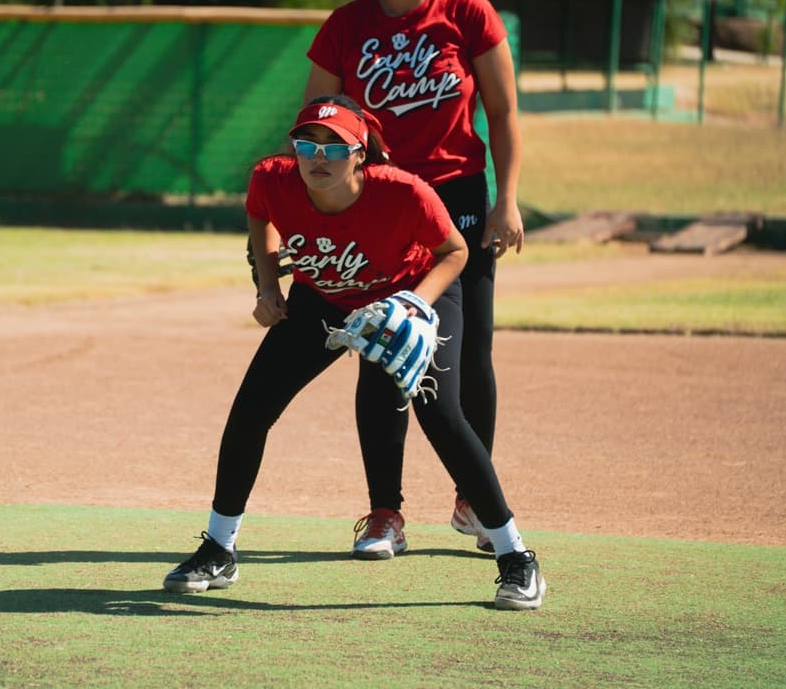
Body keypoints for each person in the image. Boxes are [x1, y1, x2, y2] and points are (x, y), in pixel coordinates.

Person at [162, 95, 545, 611]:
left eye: (334, 147)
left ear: (360, 154)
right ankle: (218, 549)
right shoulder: (273, 179)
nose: (317, 158)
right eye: (307, 144)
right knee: (251, 411)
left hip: (408, 295)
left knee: (443, 417)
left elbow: (454, 251)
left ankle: (516, 558)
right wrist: (267, 284)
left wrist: (414, 305)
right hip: (324, 300)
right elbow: (260, 216)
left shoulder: (404, 192)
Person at [301, 0, 526, 556]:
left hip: (457, 195)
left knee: (468, 352)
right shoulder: (345, 25)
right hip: (379, 201)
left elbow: (505, 112)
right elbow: (317, 129)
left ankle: (473, 502)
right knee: (380, 348)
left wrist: (506, 200)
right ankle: (383, 514)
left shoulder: (468, 13)